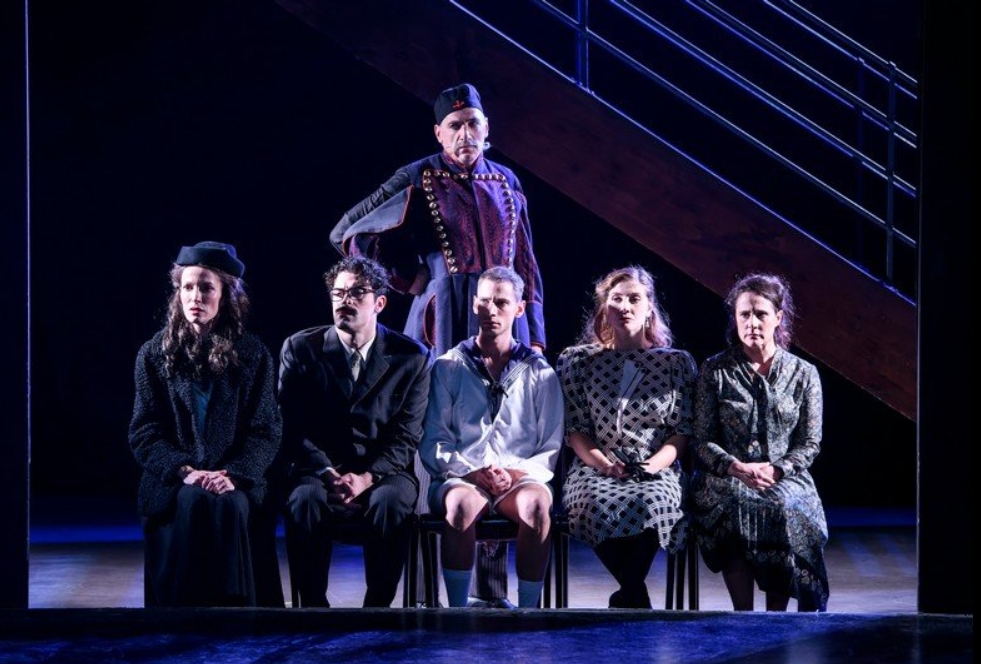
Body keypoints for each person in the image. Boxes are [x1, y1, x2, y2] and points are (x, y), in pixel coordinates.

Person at [330, 82, 547, 606]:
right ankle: (434, 589)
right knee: (441, 435)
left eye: (473, 124)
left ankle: (491, 591)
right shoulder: (419, 175)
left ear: (487, 129)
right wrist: (411, 283)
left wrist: (536, 335)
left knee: (501, 435)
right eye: (455, 126)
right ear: (438, 133)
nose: (465, 133)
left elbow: (526, 265)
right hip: (443, 316)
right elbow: (349, 232)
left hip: (505, 320)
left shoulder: (507, 180)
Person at [128, 240, 283, 607]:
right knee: (193, 501)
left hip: (235, 476)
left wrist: (234, 473)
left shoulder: (253, 354)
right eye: (188, 287)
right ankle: (184, 617)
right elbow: (144, 430)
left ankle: (235, 615)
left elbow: (265, 430)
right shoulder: (154, 354)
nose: (195, 297)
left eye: (206, 288)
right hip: (175, 478)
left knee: (229, 505)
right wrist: (184, 470)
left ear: (225, 296)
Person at [277, 255, 432, 607]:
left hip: (384, 470)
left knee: (391, 501)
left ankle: (377, 610)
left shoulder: (412, 357)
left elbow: (406, 436)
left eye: (356, 292)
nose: (344, 300)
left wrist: (366, 477)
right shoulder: (301, 348)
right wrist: (327, 472)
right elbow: (291, 423)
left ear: (379, 303)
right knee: (304, 499)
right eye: (338, 293)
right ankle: (313, 608)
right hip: (319, 467)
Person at [420, 266, 563, 608]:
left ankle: (528, 611)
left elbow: (550, 444)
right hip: (462, 477)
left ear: (519, 308)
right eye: (484, 302)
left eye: (501, 303)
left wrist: (513, 474)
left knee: (537, 506)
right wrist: (470, 472)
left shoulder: (539, 372)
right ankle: (457, 610)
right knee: (460, 506)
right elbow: (435, 438)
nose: (491, 311)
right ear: (474, 305)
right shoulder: (449, 366)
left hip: (519, 478)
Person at [556, 266, 696, 609]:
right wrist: (604, 465)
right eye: (616, 299)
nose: (625, 306)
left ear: (649, 307)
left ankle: (630, 592)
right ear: (605, 308)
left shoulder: (675, 363)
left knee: (651, 501)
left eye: (634, 299)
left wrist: (651, 467)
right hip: (595, 465)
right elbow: (576, 430)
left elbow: (681, 432)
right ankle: (634, 593)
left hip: (655, 465)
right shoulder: (578, 361)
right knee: (593, 502)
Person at [689, 272, 829, 612]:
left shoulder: (804, 373)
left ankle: (775, 618)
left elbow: (810, 443)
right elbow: (702, 439)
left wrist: (777, 470)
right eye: (744, 314)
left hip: (785, 476)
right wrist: (735, 467)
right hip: (726, 475)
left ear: (778, 317)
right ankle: (743, 615)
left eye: (761, 314)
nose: (752, 322)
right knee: (736, 503)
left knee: (782, 506)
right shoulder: (715, 370)